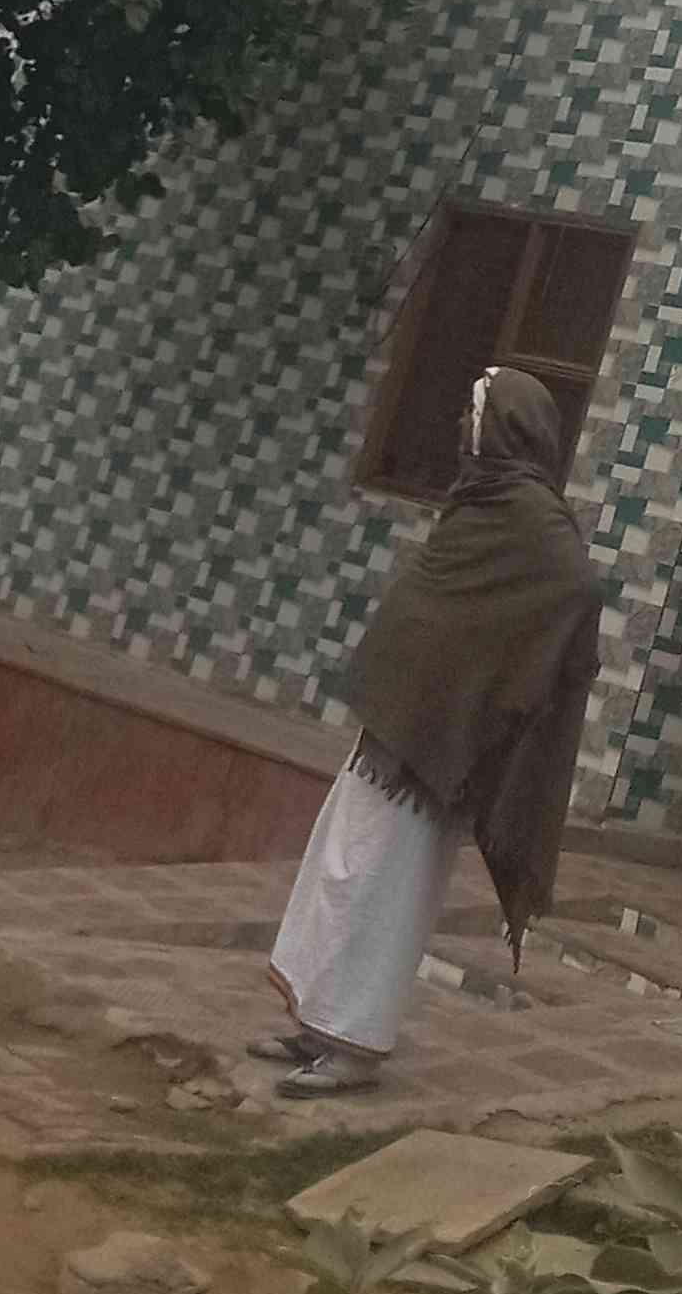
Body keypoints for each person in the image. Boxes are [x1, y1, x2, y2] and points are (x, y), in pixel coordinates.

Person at [251, 365, 604, 1099]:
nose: (461, 428)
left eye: (474, 414)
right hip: (396, 733)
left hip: (440, 746)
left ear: (506, 428)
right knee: (341, 870)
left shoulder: (532, 516)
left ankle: (355, 1045)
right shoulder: (484, 500)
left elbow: (575, 586)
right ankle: (316, 1022)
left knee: (386, 891)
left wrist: (495, 684)